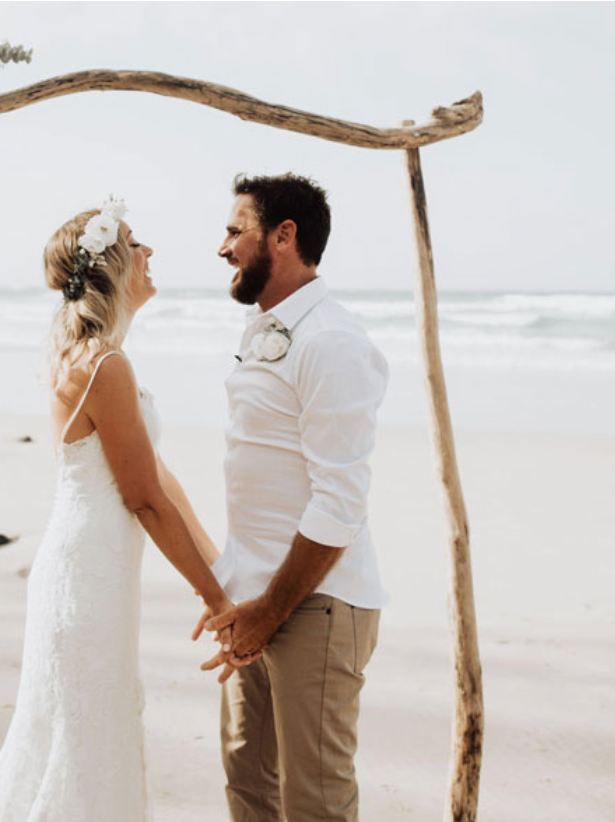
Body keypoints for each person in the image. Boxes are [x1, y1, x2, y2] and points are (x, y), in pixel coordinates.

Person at [0, 199, 240, 822]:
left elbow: (163, 483)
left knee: (93, 733)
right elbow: (143, 499)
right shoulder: (104, 365)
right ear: (113, 265)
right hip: (86, 578)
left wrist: (218, 574)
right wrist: (217, 600)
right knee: (86, 739)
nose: (149, 253)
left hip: (96, 572)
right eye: (136, 243)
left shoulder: (102, 358)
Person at [198, 174, 389, 822]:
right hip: (255, 597)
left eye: (234, 231)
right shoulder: (266, 329)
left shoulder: (331, 340)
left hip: (315, 602)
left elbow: (340, 502)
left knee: (315, 802)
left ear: (284, 236)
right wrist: (238, 600)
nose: (221, 248)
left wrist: (271, 611)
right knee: (248, 784)